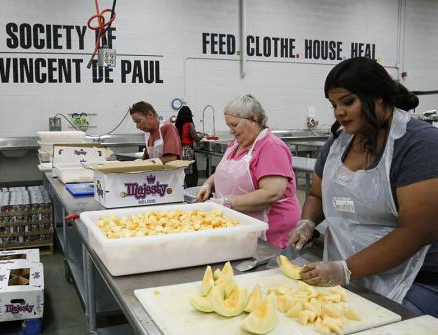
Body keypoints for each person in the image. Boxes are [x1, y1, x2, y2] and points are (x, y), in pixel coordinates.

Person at [288, 57, 438, 317]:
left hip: (412, 278)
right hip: (346, 272)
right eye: (334, 105)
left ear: (379, 97)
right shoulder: (337, 144)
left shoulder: (418, 144)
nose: (339, 113)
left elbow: (417, 231)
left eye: (348, 102)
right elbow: (315, 194)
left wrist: (346, 269)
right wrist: (308, 222)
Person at [196, 94, 301, 248]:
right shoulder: (235, 144)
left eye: (234, 125)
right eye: (228, 125)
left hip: (268, 231)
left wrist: (227, 203)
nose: (231, 130)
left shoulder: (271, 147)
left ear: (253, 118)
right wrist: (208, 184)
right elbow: (226, 172)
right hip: (242, 224)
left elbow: (271, 193)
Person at [175, 106, 203, 187]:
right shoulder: (189, 124)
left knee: (183, 171)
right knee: (190, 173)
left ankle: (182, 188)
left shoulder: (178, 125)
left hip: (180, 150)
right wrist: (202, 135)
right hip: (187, 150)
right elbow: (196, 138)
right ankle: (189, 189)